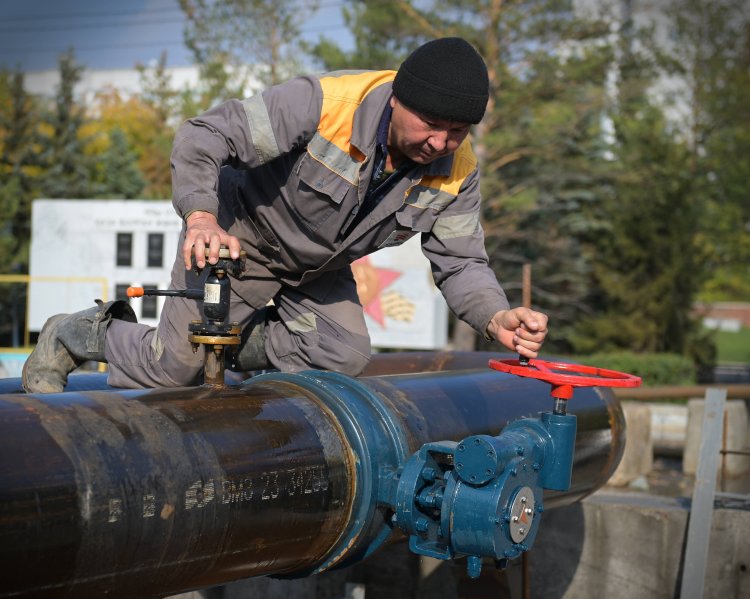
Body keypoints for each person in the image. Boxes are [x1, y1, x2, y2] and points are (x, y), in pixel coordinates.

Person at [23, 37, 548, 394]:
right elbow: (204, 135)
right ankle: (77, 333)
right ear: (397, 100)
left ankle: (225, 346)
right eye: (431, 124)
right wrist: (201, 217)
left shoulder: (458, 169)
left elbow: (460, 262)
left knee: (342, 355)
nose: (441, 143)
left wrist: (494, 316)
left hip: (317, 266)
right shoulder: (326, 104)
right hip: (239, 235)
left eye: (457, 131)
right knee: (173, 368)